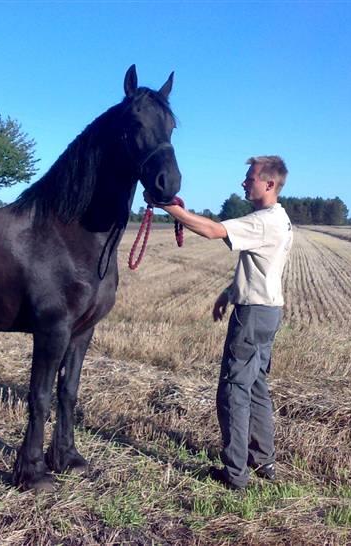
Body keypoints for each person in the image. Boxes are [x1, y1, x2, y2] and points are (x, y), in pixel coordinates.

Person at [145, 155, 292, 490]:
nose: (243, 182)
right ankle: (262, 460)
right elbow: (260, 267)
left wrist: (167, 205)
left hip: (253, 315)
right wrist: (228, 292)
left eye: (250, 177)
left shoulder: (264, 220)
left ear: (268, 184)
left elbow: (211, 230)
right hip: (269, 311)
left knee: (233, 391)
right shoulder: (281, 219)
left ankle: (235, 473)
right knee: (256, 388)